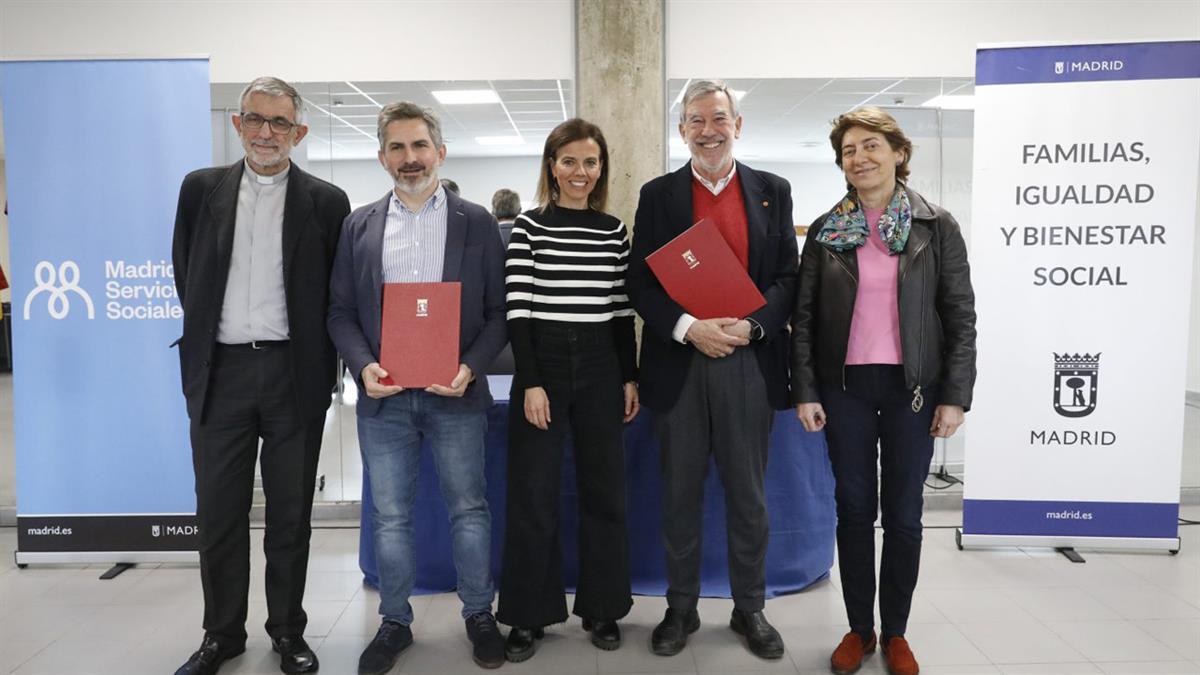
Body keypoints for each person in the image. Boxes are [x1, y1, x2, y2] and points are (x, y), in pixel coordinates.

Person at [171, 76, 350, 675]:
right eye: (255, 119)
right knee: (217, 512)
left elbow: (333, 292)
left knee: (290, 513)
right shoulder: (200, 190)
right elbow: (186, 273)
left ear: (298, 133)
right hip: (219, 375)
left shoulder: (326, 201)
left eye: (279, 123)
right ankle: (221, 634)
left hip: (292, 375)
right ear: (236, 124)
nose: (266, 133)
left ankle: (287, 632)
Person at [790, 106, 977, 675]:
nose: (860, 158)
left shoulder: (935, 225)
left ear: (899, 153)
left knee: (903, 515)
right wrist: (805, 390)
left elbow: (959, 314)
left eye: (871, 146)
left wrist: (955, 394)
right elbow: (803, 318)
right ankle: (858, 629)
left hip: (912, 390)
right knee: (851, 511)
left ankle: (895, 632)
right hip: (844, 387)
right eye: (849, 150)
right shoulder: (827, 231)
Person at [326, 101, 508, 674]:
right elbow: (338, 312)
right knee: (391, 516)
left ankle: (480, 614)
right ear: (382, 157)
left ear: (440, 152)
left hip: (456, 395)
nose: (410, 159)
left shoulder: (476, 222)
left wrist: (471, 367)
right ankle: (395, 621)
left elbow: (500, 313)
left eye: (419, 146)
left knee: (469, 510)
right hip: (386, 399)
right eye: (398, 148)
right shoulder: (357, 226)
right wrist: (362, 367)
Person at [627, 79, 798, 660]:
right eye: (696, 120)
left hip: (749, 362)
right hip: (680, 362)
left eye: (718, 118)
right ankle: (681, 608)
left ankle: (750, 608)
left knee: (749, 496)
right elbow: (640, 282)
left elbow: (787, 281)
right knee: (679, 495)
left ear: (737, 124)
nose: (708, 130)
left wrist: (751, 328)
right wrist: (688, 328)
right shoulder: (658, 195)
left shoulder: (773, 191)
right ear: (682, 131)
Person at [496, 119, 639, 662]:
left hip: (602, 364)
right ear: (551, 165)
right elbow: (518, 312)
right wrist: (530, 381)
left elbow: (622, 311)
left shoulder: (612, 230)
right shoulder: (529, 228)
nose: (581, 172)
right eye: (570, 161)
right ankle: (528, 615)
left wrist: (630, 376)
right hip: (545, 363)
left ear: (601, 169)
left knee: (605, 493)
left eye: (591, 162)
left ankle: (603, 608)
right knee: (534, 494)